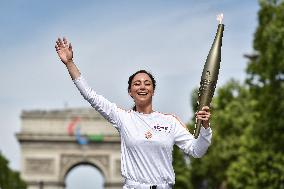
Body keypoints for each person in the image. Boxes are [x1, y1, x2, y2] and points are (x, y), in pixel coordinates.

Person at [55, 37, 212, 189]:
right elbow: (90, 95)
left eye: (147, 83)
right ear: (130, 92)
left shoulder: (170, 121)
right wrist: (69, 63)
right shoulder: (123, 117)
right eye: (137, 84)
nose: (142, 87)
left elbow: (197, 151)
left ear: (153, 90)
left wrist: (205, 128)